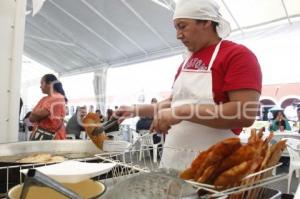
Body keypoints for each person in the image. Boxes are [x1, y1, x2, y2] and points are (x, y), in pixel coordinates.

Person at [115, 0, 262, 170]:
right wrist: (134, 109)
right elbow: (173, 103)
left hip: (214, 165)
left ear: (206, 21)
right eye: (176, 28)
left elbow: (244, 113)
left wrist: (182, 111)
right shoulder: (187, 60)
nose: (178, 35)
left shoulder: (237, 55)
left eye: (182, 26)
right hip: (174, 159)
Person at [29, 74, 68, 140]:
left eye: (42, 83)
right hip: (42, 137)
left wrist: (35, 114)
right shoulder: (44, 99)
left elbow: (38, 114)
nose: (40, 86)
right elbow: (31, 117)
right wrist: (35, 114)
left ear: (49, 83)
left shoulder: (57, 98)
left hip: (53, 139)